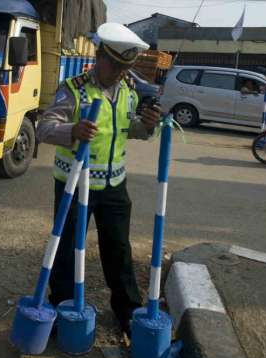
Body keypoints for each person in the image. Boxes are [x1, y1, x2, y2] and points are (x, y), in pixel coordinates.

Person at [36, 23, 162, 338]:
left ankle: (128, 313)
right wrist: (72, 131)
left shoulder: (129, 92)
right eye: (115, 64)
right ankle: (62, 309)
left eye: (126, 67)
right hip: (74, 185)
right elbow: (44, 127)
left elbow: (126, 128)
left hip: (114, 188)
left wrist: (146, 126)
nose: (120, 72)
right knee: (65, 251)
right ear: (100, 55)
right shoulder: (74, 88)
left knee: (118, 250)